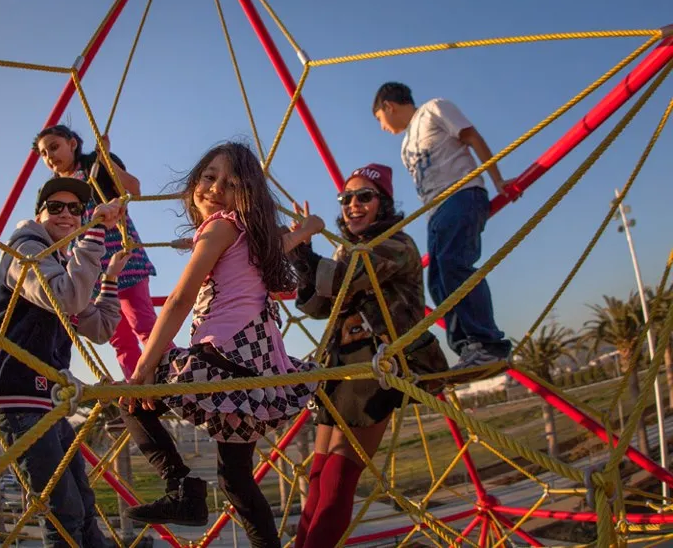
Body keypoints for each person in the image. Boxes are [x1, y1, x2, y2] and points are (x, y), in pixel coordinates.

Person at [117, 141, 320, 548]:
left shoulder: (220, 227)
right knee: (237, 479)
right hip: (259, 363)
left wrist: (143, 368)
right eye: (209, 178)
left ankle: (182, 489)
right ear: (195, 181)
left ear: (244, 194)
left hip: (226, 353)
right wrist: (309, 229)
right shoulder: (252, 236)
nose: (214, 188)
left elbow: (178, 300)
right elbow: (281, 246)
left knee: (129, 396)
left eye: (228, 183)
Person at [286, 164, 448, 548]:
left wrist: (304, 252)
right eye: (346, 199)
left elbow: (345, 279)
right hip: (341, 363)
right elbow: (316, 305)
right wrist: (303, 256)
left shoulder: (397, 243)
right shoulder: (347, 250)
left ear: (383, 203)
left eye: (364, 197)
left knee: (340, 476)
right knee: (320, 474)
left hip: (379, 363)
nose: (353, 205)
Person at [0, 176, 127, 548]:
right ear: (39, 213)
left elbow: (100, 327)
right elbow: (68, 299)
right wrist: (94, 239)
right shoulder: (24, 252)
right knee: (63, 511)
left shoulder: (60, 264)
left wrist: (108, 281)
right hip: (17, 397)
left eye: (75, 209)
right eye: (55, 207)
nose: (67, 215)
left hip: (48, 401)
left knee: (85, 506)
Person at [372, 82, 515, 369]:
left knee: (455, 265)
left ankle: (489, 343)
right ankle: (469, 347)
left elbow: (472, 137)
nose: (382, 127)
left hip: (460, 194)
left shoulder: (433, 109)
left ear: (389, 106)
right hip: (435, 212)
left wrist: (498, 179)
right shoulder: (405, 146)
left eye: (379, 119)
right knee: (437, 281)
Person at [35, 124, 160, 378]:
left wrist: (106, 160)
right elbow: (45, 229)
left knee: (144, 324)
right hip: (87, 268)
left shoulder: (95, 164)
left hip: (123, 256)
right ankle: (138, 387)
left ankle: (169, 378)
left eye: (54, 147)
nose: (50, 157)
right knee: (118, 337)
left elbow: (133, 189)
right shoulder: (51, 191)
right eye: (44, 154)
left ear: (72, 144)